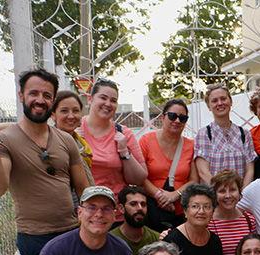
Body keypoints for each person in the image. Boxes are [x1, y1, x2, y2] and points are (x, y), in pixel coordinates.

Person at [0, 68, 91, 255]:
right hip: (35, 238)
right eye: (34, 94)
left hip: (73, 232)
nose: (40, 100)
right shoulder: (5, 140)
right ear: (21, 95)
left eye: (47, 95)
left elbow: (84, 190)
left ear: (53, 100)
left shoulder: (66, 140)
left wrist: (91, 227)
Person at [79, 78, 147, 222]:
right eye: (103, 98)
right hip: (84, 213)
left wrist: (124, 152)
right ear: (90, 99)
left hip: (115, 214)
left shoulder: (123, 133)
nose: (108, 104)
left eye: (113, 100)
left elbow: (139, 178)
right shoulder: (76, 129)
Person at [139, 99, 199, 231]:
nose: (177, 121)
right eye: (172, 116)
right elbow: (139, 177)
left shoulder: (191, 145)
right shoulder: (146, 141)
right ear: (162, 117)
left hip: (180, 212)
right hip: (151, 209)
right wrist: (160, 196)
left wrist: (175, 195)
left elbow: (194, 180)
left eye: (182, 118)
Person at [194, 83, 256, 186]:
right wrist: (221, 191)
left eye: (223, 99)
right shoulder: (204, 134)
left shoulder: (244, 134)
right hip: (214, 195)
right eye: (214, 101)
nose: (220, 103)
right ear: (209, 106)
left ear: (230, 102)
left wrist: (241, 194)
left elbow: (250, 170)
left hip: (240, 197)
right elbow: (203, 172)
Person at [51, 90, 95, 206]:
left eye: (75, 111)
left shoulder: (80, 144)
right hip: (59, 211)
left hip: (80, 209)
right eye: (64, 111)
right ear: (53, 114)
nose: (71, 116)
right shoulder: (47, 142)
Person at [209, 170, 257, 255]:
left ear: (239, 192)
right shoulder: (207, 222)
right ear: (215, 195)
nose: (228, 196)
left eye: (232, 190)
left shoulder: (249, 220)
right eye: (222, 191)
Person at [111, 185, 161, 255]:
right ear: (121, 208)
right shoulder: (111, 240)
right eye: (133, 204)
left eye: (143, 204)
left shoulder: (157, 239)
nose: (140, 208)